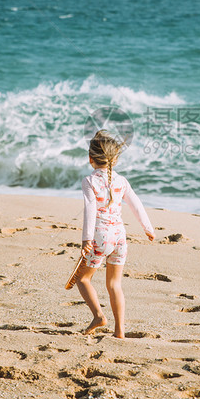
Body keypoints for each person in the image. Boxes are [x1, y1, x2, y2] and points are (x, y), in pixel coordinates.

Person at [71, 130, 155, 338]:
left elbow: (90, 209)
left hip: (100, 237)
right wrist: (148, 228)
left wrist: (86, 239)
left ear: (91, 159)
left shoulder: (89, 181)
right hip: (119, 237)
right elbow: (136, 205)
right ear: (114, 160)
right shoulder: (122, 181)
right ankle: (120, 331)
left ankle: (99, 315)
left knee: (82, 279)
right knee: (114, 284)